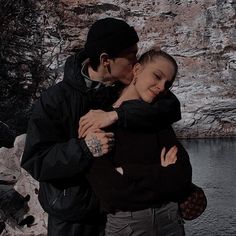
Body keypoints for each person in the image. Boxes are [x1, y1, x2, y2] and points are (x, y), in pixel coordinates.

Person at [21, 18, 183, 236]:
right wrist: (86, 148)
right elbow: (36, 160)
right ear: (106, 59)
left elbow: (171, 107)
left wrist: (117, 115)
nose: (137, 63)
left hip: (123, 213)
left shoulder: (129, 89)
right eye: (131, 56)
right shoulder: (55, 100)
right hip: (76, 218)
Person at [83, 48, 192, 235]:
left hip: (170, 220)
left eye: (168, 84)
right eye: (157, 76)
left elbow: (181, 178)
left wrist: (128, 172)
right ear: (137, 69)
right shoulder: (98, 119)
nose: (161, 86)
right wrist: (162, 173)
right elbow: (110, 191)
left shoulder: (158, 119)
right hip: (128, 226)